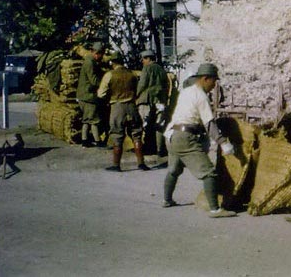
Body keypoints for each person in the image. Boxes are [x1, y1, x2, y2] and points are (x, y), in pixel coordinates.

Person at [162, 63, 236, 218]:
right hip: (185, 137)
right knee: (209, 173)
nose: (214, 85)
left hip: (172, 135)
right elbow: (209, 123)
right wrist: (223, 142)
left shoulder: (186, 92)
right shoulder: (201, 96)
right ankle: (215, 210)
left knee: (173, 169)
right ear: (205, 78)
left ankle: (167, 200)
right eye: (213, 81)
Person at [97, 51, 150, 172]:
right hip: (132, 106)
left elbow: (101, 94)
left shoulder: (109, 75)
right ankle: (141, 163)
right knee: (136, 135)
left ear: (112, 62)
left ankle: (116, 165)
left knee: (117, 136)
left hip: (117, 106)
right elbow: (138, 89)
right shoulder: (132, 74)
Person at [136, 49, 169, 158]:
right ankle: (160, 149)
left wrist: (136, 95)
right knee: (159, 125)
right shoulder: (161, 69)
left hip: (147, 100)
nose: (142, 61)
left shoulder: (147, 68)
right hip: (160, 101)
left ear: (148, 58)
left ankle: (147, 148)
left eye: (144, 59)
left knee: (145, 124)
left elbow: (142, 84)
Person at [76, 42, 106, 148]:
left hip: (83, 95)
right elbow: (93, 80)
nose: (101, 56)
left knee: (87, 119)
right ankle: (97, 141)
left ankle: (85, 141)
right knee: (94, 120)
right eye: (101, 54)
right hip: (88, 96)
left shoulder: (90, 61)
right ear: (96, 53)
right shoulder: (90, 62)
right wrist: (105, 83)